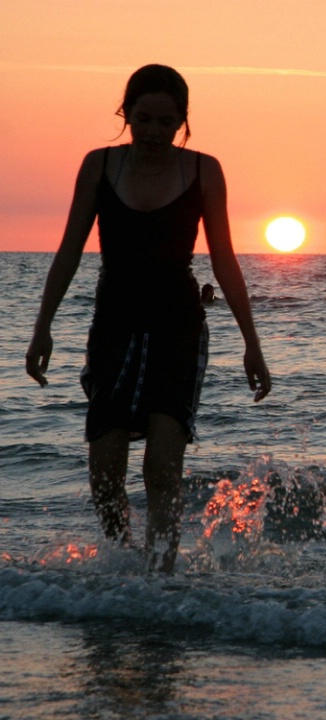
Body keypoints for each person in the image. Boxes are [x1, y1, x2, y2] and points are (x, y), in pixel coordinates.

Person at [26, 64, 271, 573]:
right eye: (144, 119)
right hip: (113, 323)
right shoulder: (100, 166)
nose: (155, 131)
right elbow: (70, 250)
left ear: (183, 120)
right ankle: (122, 562)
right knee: (106, 464)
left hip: (177, 326)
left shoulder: (204, 171)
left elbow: (224, 259)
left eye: (167, 121)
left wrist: (252, 342)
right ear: (126, 115)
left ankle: (160, 575)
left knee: (162, 465)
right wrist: (42, 326)